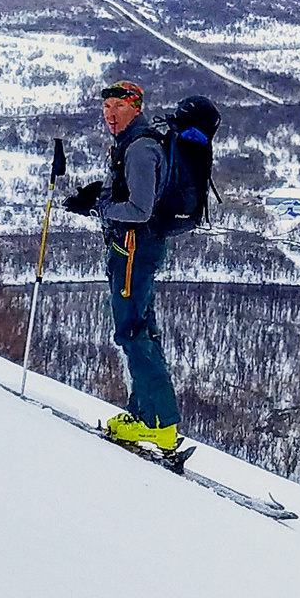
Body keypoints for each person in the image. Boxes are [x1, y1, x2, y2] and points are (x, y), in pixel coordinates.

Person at [64, 78, 187, 458]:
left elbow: (139, 209)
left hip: (134, 248)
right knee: (143, 330)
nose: (110, 115)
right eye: (105, 108)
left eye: (117, 107)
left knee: (132, 332)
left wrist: (99, 209)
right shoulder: (131, 144)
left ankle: (162, 424)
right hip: (133, 247)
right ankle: (144, 415)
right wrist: (97, 196)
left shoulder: (140, 148)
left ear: (135, 107)